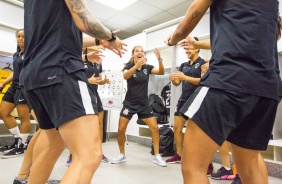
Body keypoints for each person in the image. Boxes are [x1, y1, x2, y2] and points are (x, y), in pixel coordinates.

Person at [165, 1, 280, 184]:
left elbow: (185, 25)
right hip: (267, 87)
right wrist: (197, 43)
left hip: (227, 80)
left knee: (193, 167)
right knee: (250, 168)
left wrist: (172, 40)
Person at [22, 1, 127, 184]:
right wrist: (110, 37)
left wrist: (97, 40)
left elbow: (59, 35)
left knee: (54, 143)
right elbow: (84, 20)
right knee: (89, 155)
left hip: (33, 75)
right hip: (60, 70)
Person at [111, 46, 167, 167]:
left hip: (144, 104)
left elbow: (161, 72)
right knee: (121, 129)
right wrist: (136, 66)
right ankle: (122, 154)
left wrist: (160, 59)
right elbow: (125, 76)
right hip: (129, 104)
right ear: (133, 55)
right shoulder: (128, 67)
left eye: (142, 51)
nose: (140, 52)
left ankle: (157, 156)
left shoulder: (148, 68)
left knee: (155, 128)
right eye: (137, 51)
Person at [66, 47, 110, 166]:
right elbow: (70, 77)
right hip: (80, 94)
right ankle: (72, 154)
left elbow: (98, 79)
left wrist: (103, 81)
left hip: (94, 95)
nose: (97, 48)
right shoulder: (78, 59)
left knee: (99, 124)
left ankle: (99, 152)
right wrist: (87, 81)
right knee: (77, 125)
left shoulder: (98, 62)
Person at [0, 28, 31, 159]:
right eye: (18, 36)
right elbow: (15, 72)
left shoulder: (31, 53)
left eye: (23, 36)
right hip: (14, 87)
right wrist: (3, 83)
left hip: (24, 87)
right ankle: (18, 140)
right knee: (3, 112)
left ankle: (20, 146)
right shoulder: (16, 54)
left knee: (24, 117)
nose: (20, 38)